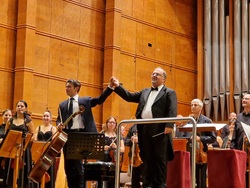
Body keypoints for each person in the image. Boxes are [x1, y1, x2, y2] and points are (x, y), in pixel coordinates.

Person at [111, 67, 177, 188]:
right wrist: (117, 86)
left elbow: (172, 109)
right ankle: (147, 185)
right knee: (146, 160)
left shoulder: (169, 92)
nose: (154, 75)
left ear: (164, 79)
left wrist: (169, 125)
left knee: (159, 161)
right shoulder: (145, 91)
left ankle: (160, 185)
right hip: (144, 129)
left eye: (157, 74)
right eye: (153, 73)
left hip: (160, 130)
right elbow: (129, 97)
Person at [56, 79, 114, 188]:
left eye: (69, 87)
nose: (66, 89)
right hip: (67, 137)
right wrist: (58, 124)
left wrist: (110, 88)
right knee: (68, 169)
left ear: (76, 88)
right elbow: (59, 119)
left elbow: (99, 100)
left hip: (81, 136)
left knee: (78, 168)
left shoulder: (85, 101)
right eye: (66, 86)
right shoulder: (62, 104)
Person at [4, 100, 34, 188]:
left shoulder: (28, 121)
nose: (19, 108)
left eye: (22, 106)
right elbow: (7, 135)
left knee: (22, 173)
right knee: (11, 172)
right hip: (12, 149)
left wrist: (24, 143)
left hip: (24, 149)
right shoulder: (10, 120)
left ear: (25, 108)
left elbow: (32, 136)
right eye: (18, 106)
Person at [189, 98, 216, 188]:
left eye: (195, 105)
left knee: (201, 178)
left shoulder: (206, 120)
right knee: (192, 178)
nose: (193, 107)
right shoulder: (189, 120)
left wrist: (200, 138)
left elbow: (213, 138)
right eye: (192, 105)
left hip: (202, 153)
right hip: (190, 152)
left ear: (201, 107)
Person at [32, 110, 57, 188]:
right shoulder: (38, 128)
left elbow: (54, 141)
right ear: (42, 118)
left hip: (49, 155)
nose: (45, 118)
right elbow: (35, 140)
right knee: (38, 175)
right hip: (39, 155)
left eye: (47, 116)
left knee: (48, 176)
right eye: (44, 116)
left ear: (50, 118)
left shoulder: (53, 128)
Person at [124, 124, 144, 188]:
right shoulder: (133, 127)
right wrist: (131, 140)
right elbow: (126, 141)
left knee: (146, 180)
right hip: (134, 157)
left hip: (145, 157)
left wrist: (140, 140)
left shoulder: (149, 125)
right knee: (134, 181)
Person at [0, 109, 12, 183]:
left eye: (10, 115)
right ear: (2, 116)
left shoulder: (12, 129)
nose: (8, 117)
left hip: (8, 154)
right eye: (6, 115)